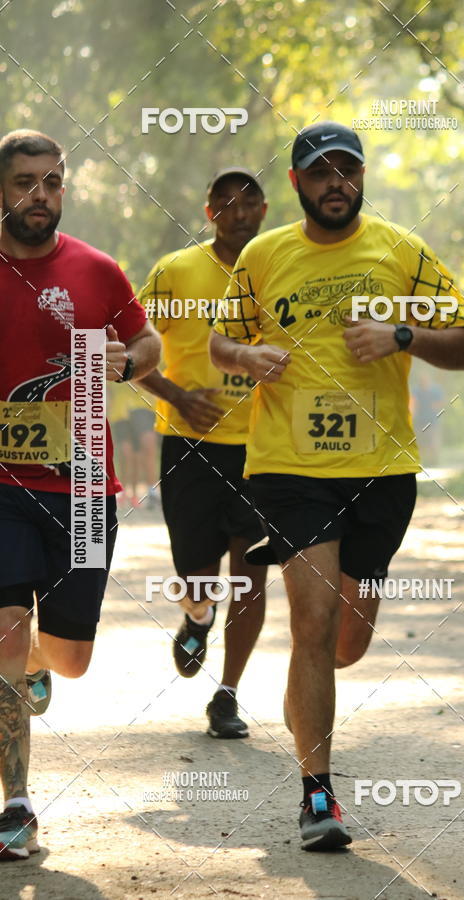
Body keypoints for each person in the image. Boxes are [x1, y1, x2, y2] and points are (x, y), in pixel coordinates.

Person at [210, 121, 464, 850]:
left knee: (346, 643)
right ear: (297, 182)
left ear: (362, 177)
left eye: (347, 171)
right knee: (314, 623)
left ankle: (307, 693)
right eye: (321, 172)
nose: (337, 183)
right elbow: (220, 341)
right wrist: (247, 357)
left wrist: (401, 336)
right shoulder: (263, 256)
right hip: (289, 467)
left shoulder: (403, 252)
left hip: (381, 470)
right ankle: (317, 796)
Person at [0, 129, 160, 860]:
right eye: (25, 182)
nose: (41, 195)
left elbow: (149, 343)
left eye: (53, 182)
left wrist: (128, 363)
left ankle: (39, 660)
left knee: (69, 658)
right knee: (5, 630)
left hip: (86, 489)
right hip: (3, 485)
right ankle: (17, 803)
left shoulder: (97, 270)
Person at [137, 168, 268, 739]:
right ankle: (197, 615)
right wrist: (177, 396)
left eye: (250, 202)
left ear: (265, 210)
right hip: (189, 446)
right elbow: (128, 348)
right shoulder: (175, 271)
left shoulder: (281, 266)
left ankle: (228, 694)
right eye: (226, 203)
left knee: (252, 575)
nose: (239, 213)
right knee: (197, 577)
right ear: (209, 211)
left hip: (265, 449)